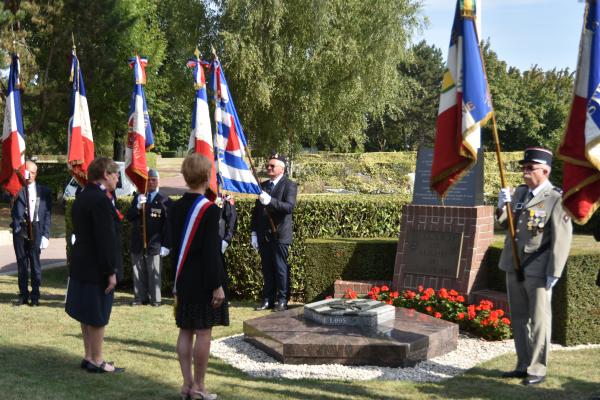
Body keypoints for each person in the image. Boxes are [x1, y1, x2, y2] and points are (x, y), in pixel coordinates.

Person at [496, 147, 572, 385]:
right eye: (524, 167)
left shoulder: (556, 198)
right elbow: (503, 224)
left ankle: (537, 369)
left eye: (530, 168)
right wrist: (502, 206)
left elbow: (562, 239)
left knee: (539, 321)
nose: (525, 172)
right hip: (513, 264)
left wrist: (554, 272)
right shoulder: (519, 194)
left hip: (538, 268)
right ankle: (522, 364)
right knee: (518, 318)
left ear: (545, 171)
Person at [170, 153, 227, 400]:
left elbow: (173, 244)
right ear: (207, 176)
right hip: (204, 280)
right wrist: (217, 285)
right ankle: (199, 388)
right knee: (203, 332)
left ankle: (186, 385)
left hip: (183, 277)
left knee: (185, 330)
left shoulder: (174, 206)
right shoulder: (209, 210)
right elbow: (211, 252)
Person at [65, 157, 125, 373]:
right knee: (98, 313)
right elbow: (105, 239)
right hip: (97, 267)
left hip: (82, 263)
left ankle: (89, 355)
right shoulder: (100, 200)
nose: (118, 178)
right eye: (115, 174)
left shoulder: (83, 196)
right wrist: (111, 271)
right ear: (105, 175)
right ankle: (98, 360)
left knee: (86, 312)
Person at [251, 152, 298, 312]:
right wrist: (254, 232)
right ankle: (268, 299)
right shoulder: (263, 186)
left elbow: (289, 207)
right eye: (268, 165)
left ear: (282, 169)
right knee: (267, 269)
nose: (268, 168)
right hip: (264, 235)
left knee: (280, 268)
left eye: (272, 166)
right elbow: (256, 211)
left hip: (280, 234)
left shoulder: (289, 185)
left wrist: (271, 201)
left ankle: (283, 300)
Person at [126, 169, 172, 307]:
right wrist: (138, 206)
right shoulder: (138, 198)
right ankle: (139, 297)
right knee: (138, 270)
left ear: (158, 181)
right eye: (148, 179)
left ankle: (155, 299)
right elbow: (129, 216)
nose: (150, 182)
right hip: (138, 242)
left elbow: (169, 225)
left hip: (155, 243)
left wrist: (167, 245)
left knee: (154, 272)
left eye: (153, 179)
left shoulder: (164, 200)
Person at [11, 160, 52, 306]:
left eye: (33, 172)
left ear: (36, 174)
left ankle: (35, 296)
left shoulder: (44, 191)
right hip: (20, 229)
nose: (30, 175)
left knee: (35, 264)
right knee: (22, 264)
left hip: (36, 228)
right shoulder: (16, 189)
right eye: (27, 172)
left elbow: (47, 214)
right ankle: (23, 295)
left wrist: (46, 235)